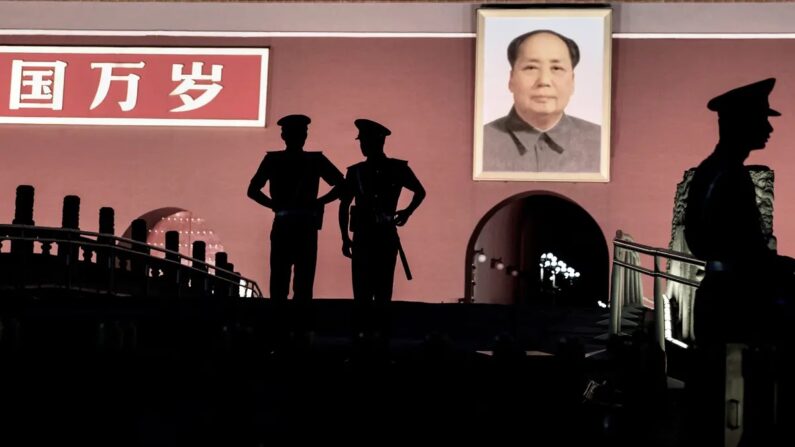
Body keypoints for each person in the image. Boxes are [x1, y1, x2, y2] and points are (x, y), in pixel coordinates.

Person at [684, 78, 795, 445]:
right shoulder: (728, 176)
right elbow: (741, 248)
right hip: (737, 301)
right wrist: (778, 267)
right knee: (743, 407)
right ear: (738, 124)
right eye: (761, 119)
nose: (769, 128)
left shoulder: (712, 171)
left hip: (722, 294)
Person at [248, 114, 344, 337]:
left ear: (283, 135)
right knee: (304, 278)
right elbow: (342, 185)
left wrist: (273, 204)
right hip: (306, 224)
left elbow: (252, 190)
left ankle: (278, 328)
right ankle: (300, 329)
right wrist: (319, 201)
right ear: (304, 136)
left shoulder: (273, 160)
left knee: (279, 277)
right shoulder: (315, 160)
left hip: (282, 221)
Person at [338, 119, 426, 339]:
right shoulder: (392, 169)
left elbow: (420, 191)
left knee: (374, 290)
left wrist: (406, 212)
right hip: (375, 235)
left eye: (365, 141)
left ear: (377, 142)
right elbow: (344, 204)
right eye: (362, 141)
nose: (362, 145)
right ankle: (371, 337)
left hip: (373, 236)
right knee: (370, 290)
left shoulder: (362, 171)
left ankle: (372, 337)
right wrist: (344, 237)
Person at [483, 29, 600, 173]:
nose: (544, 81)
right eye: (531, 67)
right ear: (511, 79)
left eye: (556, 68)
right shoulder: (480, 142)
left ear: (572, 82)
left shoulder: (601, 142)